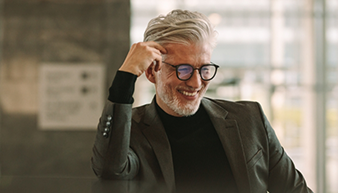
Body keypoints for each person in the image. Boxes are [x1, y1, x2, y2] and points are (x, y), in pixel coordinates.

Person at [91, 9, 313, 193]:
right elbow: (110, 171)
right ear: (151, 73)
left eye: (204, 69)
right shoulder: (132, 131)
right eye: (183, 69)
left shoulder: (249, 119)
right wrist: (125, 78)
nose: (196, 83)